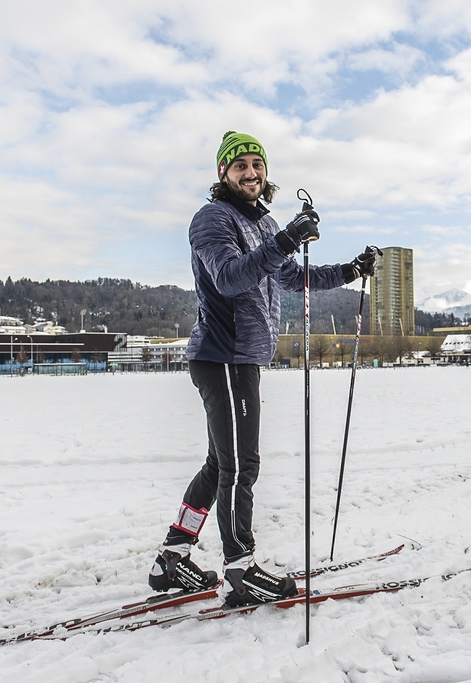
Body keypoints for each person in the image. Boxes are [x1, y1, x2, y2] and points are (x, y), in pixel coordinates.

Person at [148, 131, 377, 606]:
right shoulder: (212, 219)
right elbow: (230, 278)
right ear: (223, 174)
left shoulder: (261, 221)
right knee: (240, 466)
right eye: (240, 166)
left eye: (257, 164)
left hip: (241, 359)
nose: (251, 173)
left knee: (218, 466)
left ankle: (174, 555)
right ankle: (241, 567)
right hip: (223, 357)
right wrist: (287, 237)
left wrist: (350, 270)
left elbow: (293, 277)